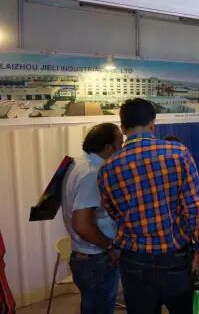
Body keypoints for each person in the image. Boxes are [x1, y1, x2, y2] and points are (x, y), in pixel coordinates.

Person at [98, 99, 199, 314]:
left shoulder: (107, 167)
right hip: (174, 256)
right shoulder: (178, 153)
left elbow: (114, 212)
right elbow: (195, 207)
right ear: (152, 123)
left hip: (133, 258)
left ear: (123, 128)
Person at [62, 123, 123, 314]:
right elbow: (82, 224)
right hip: (96, 259)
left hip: (88, 258)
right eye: (120, 145)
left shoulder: (78, 165)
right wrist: (111, 246)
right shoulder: (92, 174)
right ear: (108, 148)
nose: (122, 150)